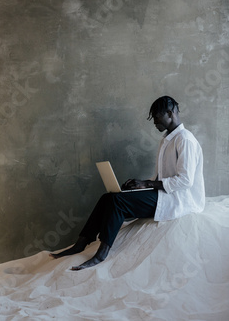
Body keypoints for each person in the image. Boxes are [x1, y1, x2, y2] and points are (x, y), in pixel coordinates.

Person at [50, 96, 205, 270]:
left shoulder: (184, 139)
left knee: (118, 203)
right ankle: (81, 244)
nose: (154, 122)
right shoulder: (167, 140)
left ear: (170, 113)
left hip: (178, 199)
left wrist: (146, 184)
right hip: (165, 193)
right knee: (108, 198)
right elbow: (161, 177)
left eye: (156, 117)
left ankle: (101, 255)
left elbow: (185, 181)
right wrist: (139, 186)